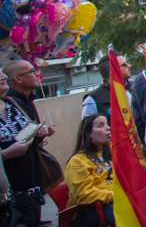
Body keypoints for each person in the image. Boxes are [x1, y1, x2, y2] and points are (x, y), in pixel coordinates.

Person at [2, 60, 54, 227]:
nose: (3, 77)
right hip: (9, 185)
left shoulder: (12, 104)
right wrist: (7, 153)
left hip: (30, 177)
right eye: (32, 71)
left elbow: (26, 131)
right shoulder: (13, 99)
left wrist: (39, 133)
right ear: (17, 79)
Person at [64, 114, 114, 227]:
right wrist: (115, 195)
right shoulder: (77, 162)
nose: (108, 128)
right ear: (88, 134)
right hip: (91, 210)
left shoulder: (112, 150)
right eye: (101, 125)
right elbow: (84, 195)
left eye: (107, 124)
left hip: (117, 199)